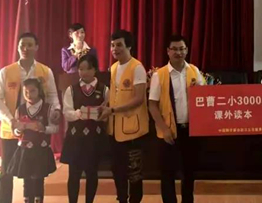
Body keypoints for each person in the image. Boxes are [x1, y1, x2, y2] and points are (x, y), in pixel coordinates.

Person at [0, 32, 61, 203]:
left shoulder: (45, 71)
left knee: (36, 172)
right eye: (22, 45)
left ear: (36, 47)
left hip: (36, 131)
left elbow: (53, 96)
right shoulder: (6, 71)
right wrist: (12, 120)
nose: (25, 48)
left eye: (29, 45)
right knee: (6, 171)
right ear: (18, 47)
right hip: (11, 129)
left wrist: (56, 111)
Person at [149, 35, 205, 203]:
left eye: (182, 49)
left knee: (189, 173)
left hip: (190, 131)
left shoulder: (194, 71)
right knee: (167, 174)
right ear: (168, 51)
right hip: (168, 132)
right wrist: (164, 129)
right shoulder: (159, 75)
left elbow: (204, 98)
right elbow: (152, 105)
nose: (178, 52)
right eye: (174, 49)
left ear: (186, 50)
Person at [98, 30, 148, 203]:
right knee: (117, 170)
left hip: (133, 130)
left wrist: (113, 110)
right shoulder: (113, 68)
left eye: (119, 45)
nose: (115, 49)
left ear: (129, 46)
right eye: (112, 45)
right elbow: (114, 95)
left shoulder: (137, 68)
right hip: (114, 129)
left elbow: (139, 99)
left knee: (134, 172)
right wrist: (105, 105)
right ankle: (122, 199)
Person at [61, 54, 109, 203]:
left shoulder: (104, 89)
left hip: (95, 138)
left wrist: (100, 114)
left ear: (94, 69)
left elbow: (108, 113)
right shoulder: (71, 90)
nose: (83, 72)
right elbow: (67, 113)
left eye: (87, 69)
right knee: (74, 174)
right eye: (81, 69)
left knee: (92, 173)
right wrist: (79, 114)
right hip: (76, 138)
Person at [7, 78, 58, 203]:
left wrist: (43, 128)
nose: (29, 95)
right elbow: (15, 132)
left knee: (39, 179)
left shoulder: (48, 108)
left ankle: (38, 199)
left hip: (40, 149)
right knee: (27, 179)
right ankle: (27, 199)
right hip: (25, 150)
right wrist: (18, 130)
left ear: (39, 91)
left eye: (32, 91)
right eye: (26, 92)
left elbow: (55, 128)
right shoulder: (20, 109)